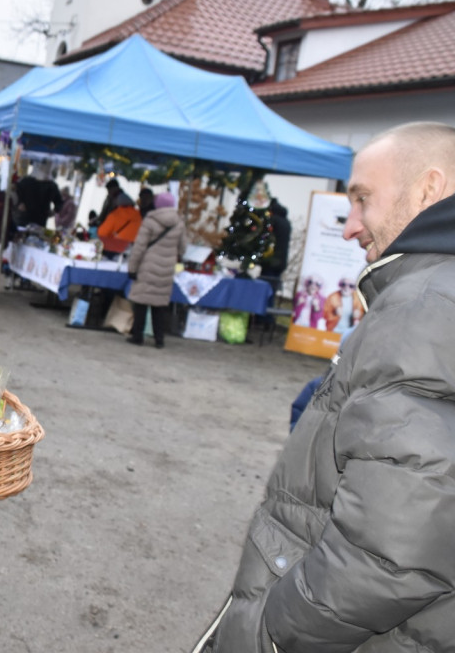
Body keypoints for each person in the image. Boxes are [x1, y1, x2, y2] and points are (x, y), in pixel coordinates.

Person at [193, 121, 455, 652]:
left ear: (429, 189)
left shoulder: (425, 305)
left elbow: (390, 553)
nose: (350, 226)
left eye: (363, 199)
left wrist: (272, 635)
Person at [125, 191, 186, 348]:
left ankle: (137, 336)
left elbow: (139, 247)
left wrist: (132, 268)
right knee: (159, 305)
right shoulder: (179, 223)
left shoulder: (150, 221)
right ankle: (159, 340)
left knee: (140, 303)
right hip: (166, 268)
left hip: (148, 266)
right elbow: (183, 248)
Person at [257, 198, 291, 297]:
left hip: (271, 261)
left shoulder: (273, 221)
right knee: (272, 289)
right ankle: (268, 310)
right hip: (280, 262)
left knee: (264, 289)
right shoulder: (286, 222)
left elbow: (266, 236)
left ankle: (262, 311)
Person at [15, 161, 63, 228]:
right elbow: (16, 193)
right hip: (24, 218)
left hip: (41, 220)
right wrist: (19, 203)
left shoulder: (52, 185)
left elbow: (59, 202)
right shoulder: (26, 181)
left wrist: (54, 211)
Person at [97, 192, 142, 258]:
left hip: (114, 250)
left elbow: (101, 233)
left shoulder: (115, 215)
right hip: (132, 250)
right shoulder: (139, 216)